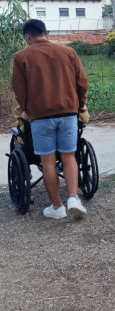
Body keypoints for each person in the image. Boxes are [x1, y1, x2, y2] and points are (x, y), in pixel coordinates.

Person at [11, 19, 89, 220]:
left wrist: (27, 110)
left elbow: (20, 89)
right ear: (47, 33)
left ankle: (57, 207)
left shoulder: (21, 57)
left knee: (47, 162)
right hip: (68, 113)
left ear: (28, 36)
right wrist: (81, 105)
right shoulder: (68, 52)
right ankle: (73, 198)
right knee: (69, 156)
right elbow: (82, 82)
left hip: (41, 116)